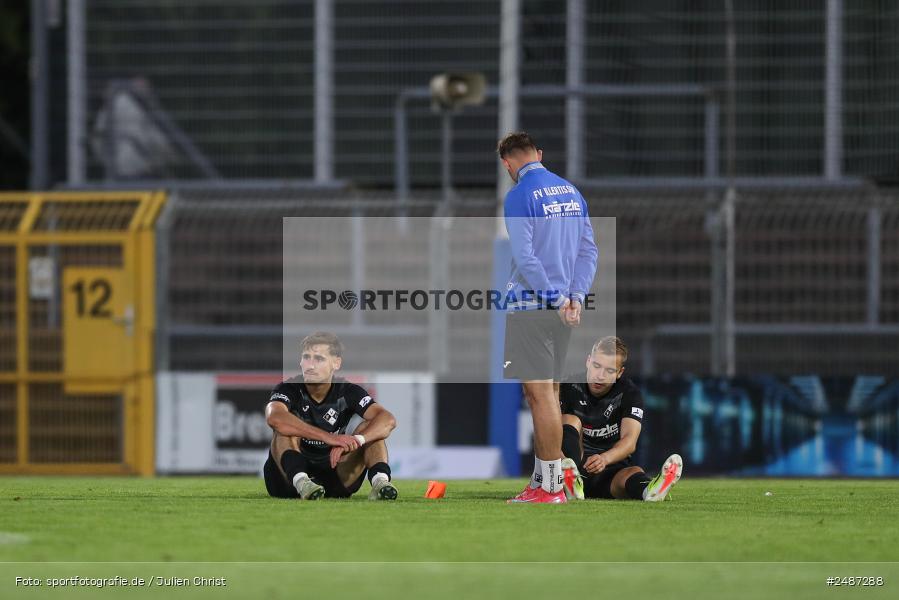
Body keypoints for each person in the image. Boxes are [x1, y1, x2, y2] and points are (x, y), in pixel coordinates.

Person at [498, 131, 598, 504]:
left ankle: (552, 486)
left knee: (540, 398)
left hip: (531, 308)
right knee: (548, 396)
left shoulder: (519, 195)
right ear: (539, 153)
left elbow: (525, 258)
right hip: (562, 312)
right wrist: (574, 297)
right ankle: (542, 481)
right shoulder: (571, 192)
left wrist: (555, 297)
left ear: (508, 163)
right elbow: (589, 251)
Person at [263, 331, 398, 500]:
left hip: (335, 472)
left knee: (370, 430)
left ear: (336, 363)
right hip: (288, 481)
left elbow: (387, 419)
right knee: (284, 429)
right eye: (306, 357)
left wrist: (357, 440)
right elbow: (274, 417)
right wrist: (329, 437)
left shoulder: (348, 391)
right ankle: (302, 482)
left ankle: (380, 483)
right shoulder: (288, 388)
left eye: (318, 359)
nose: (310, 365)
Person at [559, 336, 682, 501]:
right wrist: (560, 463)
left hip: (610, 471)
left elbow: (630, 441)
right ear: (588, 361)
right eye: (596, 366)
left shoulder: (630, 393)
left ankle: (650, 490)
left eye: (609, 371)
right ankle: (571, 480)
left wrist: (604, 458)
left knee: (633, 472)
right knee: (569, 420)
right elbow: (550, 434)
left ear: (619, 373)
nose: (600, 376)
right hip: (573, 467)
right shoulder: (568, 387)